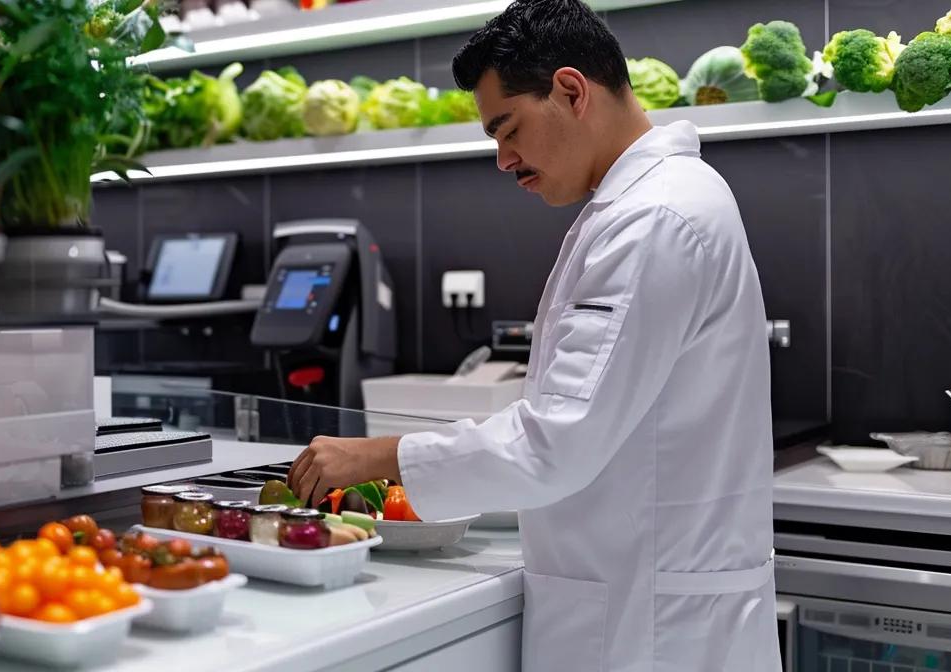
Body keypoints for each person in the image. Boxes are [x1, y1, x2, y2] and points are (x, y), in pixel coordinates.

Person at [285, 1, 780, 669]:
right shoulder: (643, 204)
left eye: (506, 128)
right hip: (643, 600)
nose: (502, 158)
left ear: (571, 90)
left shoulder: (653, 218)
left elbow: (555, 443)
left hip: (652, 630)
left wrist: (374, 458)